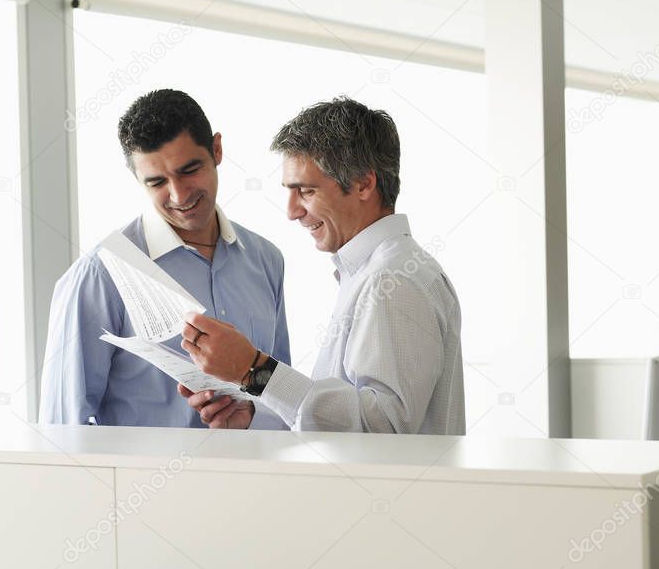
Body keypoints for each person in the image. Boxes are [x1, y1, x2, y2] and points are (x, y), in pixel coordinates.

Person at [178, 97, 465, 435]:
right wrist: (253, 413)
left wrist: (254, 369)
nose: (292, 211)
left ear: (363, 184)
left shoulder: (392, 280)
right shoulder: (373, 273)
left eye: (306, 191)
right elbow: (349, 422)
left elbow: (385, 430)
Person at [39, 89, 290, 427]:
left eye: (189, 170)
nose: (179, 194)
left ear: (217, 150)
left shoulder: (266, 260)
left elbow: (284, 398)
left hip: (257, 476)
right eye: (157, 181)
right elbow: (64, 428)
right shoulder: (100, 274)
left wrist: (251, 414)